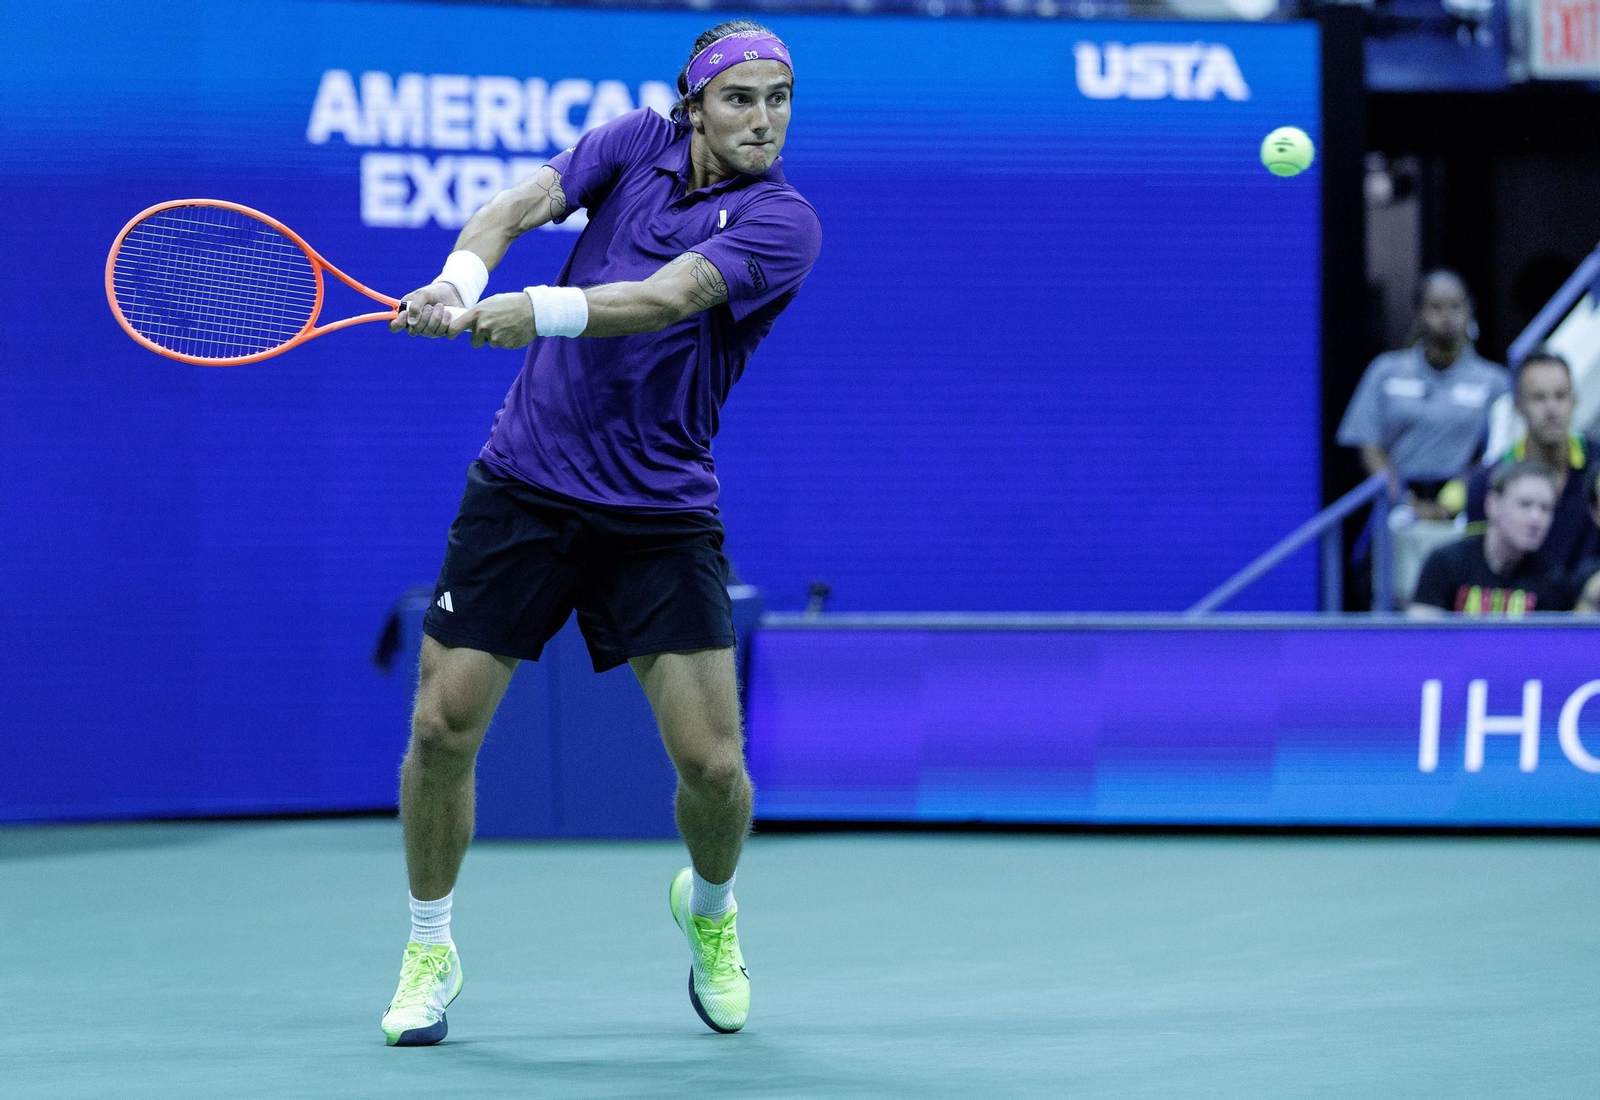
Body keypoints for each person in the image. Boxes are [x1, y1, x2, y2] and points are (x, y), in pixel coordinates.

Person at [378, 20, 820, 1046]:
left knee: (714, 768)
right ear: (692, 103)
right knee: (441, 729)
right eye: (742, 97)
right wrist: (461, 280)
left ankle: (710, 912)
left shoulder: (782, 221)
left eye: (780, 99)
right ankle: (428, 942)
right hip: (522, 488)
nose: (764, 119)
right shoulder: (630, 143)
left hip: (658, 513)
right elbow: (522, 203)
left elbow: (665, 298)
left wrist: (538, 307)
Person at [1337, 270, 1509, 606]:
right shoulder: (1386, 371)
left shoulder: (1494, 381)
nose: (1447, 316)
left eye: (1456, 306)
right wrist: (1404, 498)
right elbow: (1368, 445)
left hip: (1462, 503)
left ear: (1469, 310)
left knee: (1454, 599)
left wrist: (1457, 497)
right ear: (1419, 313)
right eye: (1435, 307)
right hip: (1398, 501)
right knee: (1394, 596)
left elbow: (1496, 451)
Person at [1457, 351, 1597, 577]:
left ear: (1574, 402)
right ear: (1517, 407)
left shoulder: (1598, 464)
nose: (1552, 409)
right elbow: (1478, 568)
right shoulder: (1486, 482)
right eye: (1539, 398)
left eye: (1560, 396)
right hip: (1520, 606)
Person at [1409, 460, 1571, 616]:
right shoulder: (1445, 563)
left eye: (1545, 508)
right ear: (1492, 505)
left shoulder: (1552, 579)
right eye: (1525, 504)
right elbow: (1421, 638)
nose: (1536, 519)